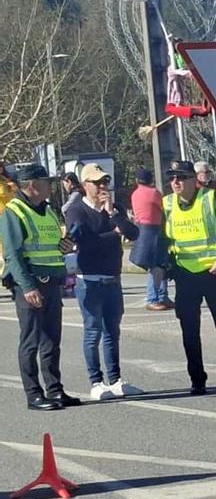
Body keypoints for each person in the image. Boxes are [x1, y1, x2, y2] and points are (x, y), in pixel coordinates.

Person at [161, 161, 216, 395]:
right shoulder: (167, 204)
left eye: (180, 177)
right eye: (172, 178)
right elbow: (161, 237)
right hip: (185, 276)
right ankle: (197, 379)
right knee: (189, 329)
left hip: (213, 273)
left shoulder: (210, 199)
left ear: (193, 180)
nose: (175, 182)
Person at [1, 164, 79, 410]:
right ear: (33, 185)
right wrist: (27, 287)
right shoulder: (14, 212)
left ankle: (55, 390)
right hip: (30, 285)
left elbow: (49, 244)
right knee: (31, 341)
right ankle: (34, 394)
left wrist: (64, 246)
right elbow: (12, 254)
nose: (51, 186)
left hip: (51, 283)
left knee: (51, 341)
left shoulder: (47, 210)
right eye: (46, 181)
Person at [65, 163, 143, 400]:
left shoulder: (113, 209)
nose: (102, 187)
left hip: (112, 278)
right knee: (93, 331)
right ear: (85, 185)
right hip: (89, 279)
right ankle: (96, 381)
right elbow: (84, 244)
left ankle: (115, 379)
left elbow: (134, 233)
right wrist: (112, 235)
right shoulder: (76, 211)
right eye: (97, 182)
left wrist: (113, 214)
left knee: (112, 331)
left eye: (105, 182)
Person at [130, 168, 171, 311]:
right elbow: (165, 209)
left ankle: (162, 296)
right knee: (158, 265)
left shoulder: (135, 194)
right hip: (154, 229)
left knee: (160, 265)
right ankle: (154, 297)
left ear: (137, 180)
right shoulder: (154, 193)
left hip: (141, 229)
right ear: (150, 180)